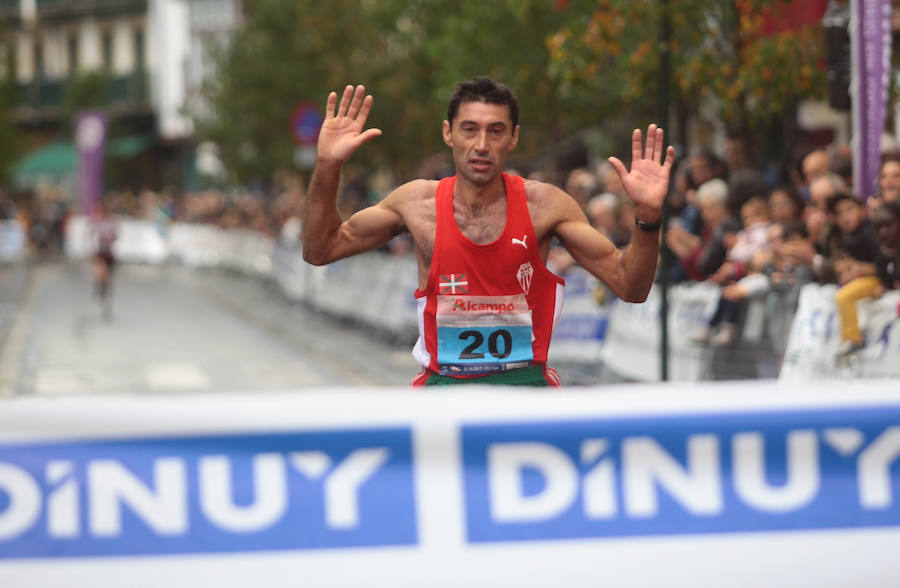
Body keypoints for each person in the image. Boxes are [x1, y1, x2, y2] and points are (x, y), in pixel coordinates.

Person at [302, 78, 674, 386]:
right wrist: (327, 166)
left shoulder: (545, 206)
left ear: (512, 138)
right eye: (470, 129)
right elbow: (320, 249)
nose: (481, 145)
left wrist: (647, 216)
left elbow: (632, 286)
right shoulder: (417, 204)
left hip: (525, 391)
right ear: (449, 133)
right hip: (444, 389)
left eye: (495, 131)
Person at [90, 201, 118, 318]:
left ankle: (105, 298)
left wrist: (110, 238)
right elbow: (91, 238)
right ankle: (100, 290)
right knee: (100, 275)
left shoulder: (111, 224)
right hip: (100, 254)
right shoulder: (96, 224)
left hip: (108, 254)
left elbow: (116, 236)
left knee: (107, 279)